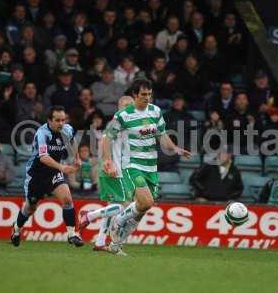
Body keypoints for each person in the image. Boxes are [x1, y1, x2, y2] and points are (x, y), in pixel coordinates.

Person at [102, 79, 191, 255]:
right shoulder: (123, 115)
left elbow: (162, 135)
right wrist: (107, 160)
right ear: (135, 95)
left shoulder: (155, 111)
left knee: (143, 208)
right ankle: (119, 220)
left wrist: (175, 149)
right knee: (147, 201)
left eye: (149, 94)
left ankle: (116, 244)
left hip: (151, 165)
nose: (147, 98)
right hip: (132, 164)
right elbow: (107, 137)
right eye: (143, 94)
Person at [10, 105, 84, 248]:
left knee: (67, 199)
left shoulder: (67, 129)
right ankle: (16, 228)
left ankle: (72, 234)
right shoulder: (42, 134)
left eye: (63, 120)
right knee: (30, 208)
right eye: (57, 120)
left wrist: (77, 158)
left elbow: (72, 142)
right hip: (36, 175)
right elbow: (43, 157)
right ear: (49, 121)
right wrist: (62, 167)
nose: (61, 123)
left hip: (53, 172)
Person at [79, 96, 135, 253]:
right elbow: (104, 140)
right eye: (125, 105)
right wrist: (108, 162)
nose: (129, 107)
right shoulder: (118, 121)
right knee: (124, 206)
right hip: (113, 170)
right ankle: (88, 216)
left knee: (113, 206)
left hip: (118, 169)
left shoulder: (126, 124)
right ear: (119, 107)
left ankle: (100, 241)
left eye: (131, 105)